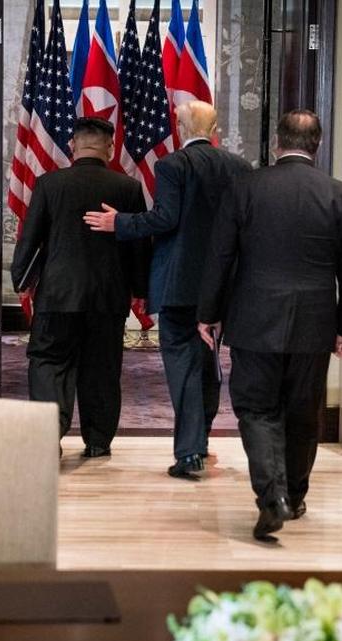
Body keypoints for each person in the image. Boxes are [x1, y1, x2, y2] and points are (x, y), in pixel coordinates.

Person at [197, 109, 342, 541]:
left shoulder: (246, 187)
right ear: (318, 144)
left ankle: (272, 495)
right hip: (315, 322)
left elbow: (219, 256)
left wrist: (208, 313)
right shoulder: (341, 195)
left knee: (256, 408)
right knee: (303, 410)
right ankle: (294, 493)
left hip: (254, 319)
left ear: (277, 142)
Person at [83, 101, 252, 479]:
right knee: (209, 367)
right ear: (214, 129)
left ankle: (190, 453)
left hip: (179, 285)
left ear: (178, 127)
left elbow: (165, 219)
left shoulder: (172, 165)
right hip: (224, 284)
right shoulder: (239, 168)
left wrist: (119, 223)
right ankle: (200, 442)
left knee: (184, 367)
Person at [11, 117, 149, 457]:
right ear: (111, 147)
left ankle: (48, 438)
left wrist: (23, 281)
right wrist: (140, 288)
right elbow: (138, 244)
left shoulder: (49, 184)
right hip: (108, 296)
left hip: (57, 295)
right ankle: (98, 442)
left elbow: (30, 239)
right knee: (101, 367)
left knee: (48, 362)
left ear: (73, 145)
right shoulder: (128, 188)